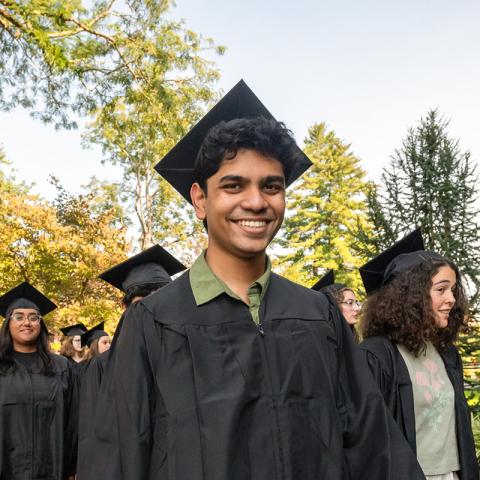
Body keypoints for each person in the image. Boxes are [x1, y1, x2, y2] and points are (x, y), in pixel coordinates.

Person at [100, 80, 424, 479]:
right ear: (200, 199)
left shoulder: (317, 314)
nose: (256, 201)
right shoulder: (152, 321)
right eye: (234, 185)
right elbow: (119, 456)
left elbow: (373, 442)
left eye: (271, 186)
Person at [359, 229, 478, 480]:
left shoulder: (446, 353)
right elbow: (368, 438)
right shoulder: (377, 356)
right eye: (441, 289)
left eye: (453, 290)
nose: (451, 300)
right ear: (411, 296)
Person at [76, 245, 186, 480]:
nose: (152, 308)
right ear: (124, 307)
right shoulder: (102, 366)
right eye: (142, 301)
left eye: (161, 297)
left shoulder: (189, 357)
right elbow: (92, 436)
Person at [0, 282, 78, 480]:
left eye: (33, 317)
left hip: (53, 469)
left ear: (40, 325)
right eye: (19, 317)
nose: (27, 322)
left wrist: (73, 468)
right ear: (8, 323)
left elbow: (74, 422)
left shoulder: (62, 367)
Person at [312, 269, 361, 341]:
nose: (357, 308)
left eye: (356, 302)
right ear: (334, 306)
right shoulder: (323, 342)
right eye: (350, 303)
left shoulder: (354, 338)